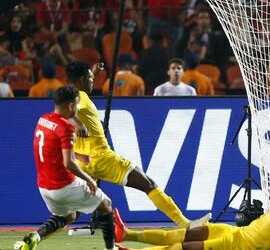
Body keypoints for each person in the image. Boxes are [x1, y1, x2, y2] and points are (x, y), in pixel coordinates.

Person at [65, 61, 206, 229]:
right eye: (89, 78)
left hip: (83, 161)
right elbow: (67, 110)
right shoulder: (80, 97)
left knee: (75, 212)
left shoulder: (71, 92)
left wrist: (93, 72)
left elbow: (68, 103)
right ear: (81, 80)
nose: (92, 81)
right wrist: (79, 124)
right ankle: (186, 224)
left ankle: (36, 237)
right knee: (148, 184)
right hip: (100, 157)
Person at [16, 86, 125, 250]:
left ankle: (34, 237)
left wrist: (79, 155)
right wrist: (89, 179)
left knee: (69, 216)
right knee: (106, 205)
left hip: (44, 187)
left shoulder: (43, 120)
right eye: (75, 104)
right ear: (70, 105)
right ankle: (111, 249)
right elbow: (68, 163)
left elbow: (53, 148)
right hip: (63, 185)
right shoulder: (67, 127)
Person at [115, 176, 270, 250]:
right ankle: (126, 234)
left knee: (185, 248)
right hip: (234, 231)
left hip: (238, 245)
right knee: (183, 235)